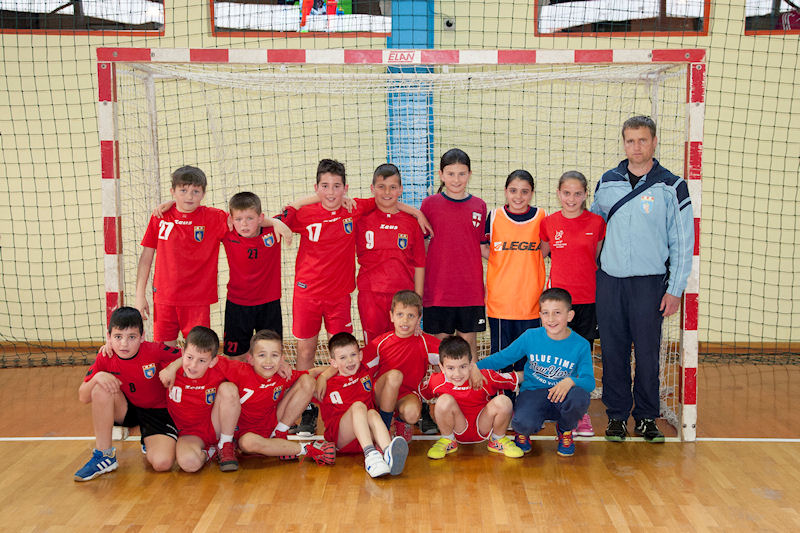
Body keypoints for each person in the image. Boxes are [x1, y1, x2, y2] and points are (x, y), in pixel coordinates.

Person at [277, 159, 428, 436]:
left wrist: (417, 212)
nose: (331, 192)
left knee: (344, 354)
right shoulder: (307, 212)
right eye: (325, 186)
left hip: (339, 297)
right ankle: (308, 410)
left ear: (346, 189)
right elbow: (278, 219)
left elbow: (387, 200)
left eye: (337, 186)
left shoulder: (355, 208)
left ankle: (351, 404)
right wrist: (289, 213)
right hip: (307, 295)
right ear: (316, 187)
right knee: (306, 352)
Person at [591, 115, 693, 443]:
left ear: (654, 142)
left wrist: (675, 289)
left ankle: (647, 416)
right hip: (610, 282)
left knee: (648, 353)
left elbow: (683, 242)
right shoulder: (607, 182)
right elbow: (593, 231)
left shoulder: (672, 186)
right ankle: (617, 416)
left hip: (650, 284)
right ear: (623, 143)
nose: (636, 147)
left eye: (643, 140)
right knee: (613, 351)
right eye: (630, 140)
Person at [476, 288, 594, 457]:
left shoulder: (580, 344)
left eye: (557, 313)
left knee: (580, 396)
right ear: (540, 315)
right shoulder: (531, 336)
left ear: (570, 315)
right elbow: (503, 357)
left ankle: (565, 430)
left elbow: (589, 382)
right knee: (523, 423)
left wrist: (570, 381)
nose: (551, 319)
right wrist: (475, 367)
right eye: (546, 313)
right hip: (533, 392)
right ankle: (523, 432)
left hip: (562, 395)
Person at [74, 307, 181, 481]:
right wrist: (97, 377)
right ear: (109, 337)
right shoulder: (106, 356)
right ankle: (104, 455)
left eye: (131, 337)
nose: (124, 344)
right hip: (127, 409)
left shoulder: (154, 350)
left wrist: (172, 367)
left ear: (142, 336)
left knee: (162, 463)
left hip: (157, 412)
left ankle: (149, 438)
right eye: (118, 337)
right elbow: (83, 396)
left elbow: (188, 355)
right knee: (100, 388)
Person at [481, 169, 547, 448]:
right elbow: (483, 248)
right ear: (506, 191)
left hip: (531, 304)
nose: (518, 196)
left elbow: (545, 250)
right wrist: (502, 260)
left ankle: (528, 411)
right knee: (502, 360)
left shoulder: (542, 217)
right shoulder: (494, 216)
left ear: (532, 193)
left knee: (529, 364)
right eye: (513, 190)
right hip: (501, 304)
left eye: (524, 191)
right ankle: (504, 408)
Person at [539, 170, 606, 438]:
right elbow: (540, 255)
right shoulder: (548, 223)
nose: (571, 198)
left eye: (578, 193)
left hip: (587, 301)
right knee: (557, 357)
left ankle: (580, 412)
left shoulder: (597, 222)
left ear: (585, 194)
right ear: (558, 193)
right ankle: (556, 407)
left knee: (581, 357)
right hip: (558, 304)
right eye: (566, 193)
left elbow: (596, 258)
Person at [228, 330, 335, 465]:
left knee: (307, 380)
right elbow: (213, 361)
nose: (268, 361)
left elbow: (315, 372)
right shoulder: (239, 371)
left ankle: (280, 433)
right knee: (247, 443)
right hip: (245, 433)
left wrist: (325, 376)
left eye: (274, 355)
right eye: (262, 355)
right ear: (250, 359)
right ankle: (307, 449)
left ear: (282, 359)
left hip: (272, 424)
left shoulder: (283, 374)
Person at [420, 149, 488, 359]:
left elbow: (481, 247)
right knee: (442, 347)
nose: (456, 180)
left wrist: (514, 259)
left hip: (470, 290)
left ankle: (473, 381)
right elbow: (423, 247)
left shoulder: (479, 205)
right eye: (450, 174)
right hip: (438, 291)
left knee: (468, 344)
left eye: (461, 174)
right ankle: (441, 381)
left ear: (469, 174)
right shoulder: (429, 205)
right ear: (441, 174)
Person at [314, 332, 409, 478]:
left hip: (364, 436)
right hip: (340, 439)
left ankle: (388, 451)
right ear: (333, 363)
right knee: (359, 406)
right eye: (343, 358)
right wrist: (322, 376)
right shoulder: (326, 384)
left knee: (372, 413)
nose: (349, 361)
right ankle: (371, 456)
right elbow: (302, 378)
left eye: (353, 355)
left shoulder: (364, 371)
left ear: (360, 355)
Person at [419, 336, 524, 460]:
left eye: (463, 367)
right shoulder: (436, 381)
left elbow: (515, 377)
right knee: (443, 401)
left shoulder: (484, 377)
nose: (457, 374)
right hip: (457, 428)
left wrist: (540, 373)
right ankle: (447, 440)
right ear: (441, 367)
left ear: (471, 364)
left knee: (504, 401)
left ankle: (497, 439)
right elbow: (418, 393)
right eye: (451, 368)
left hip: (482, 426)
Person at [354, 290, 440, 442]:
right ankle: (385, 426)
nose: (405, 320)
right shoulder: (381, 343)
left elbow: (451, 355)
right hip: (381, 394)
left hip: (406, 395)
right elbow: (354, 363)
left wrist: (473, 369)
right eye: (400, 314)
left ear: (419, 318)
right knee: (395, 376)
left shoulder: (425, 342)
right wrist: (326, 375)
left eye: (411, 316)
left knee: (413, 414)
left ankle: (400, 422)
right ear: (391, 316)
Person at [355, 164, 426, 344]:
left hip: (403, 296)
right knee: (374, 346)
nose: (387, 192)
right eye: (381, 186)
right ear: (372, 189)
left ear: (400, 190)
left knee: (402, 345)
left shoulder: (411, 223)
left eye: (393, 187)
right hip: (371, 296)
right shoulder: (360, 219)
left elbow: (419, 264)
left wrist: (417, 302)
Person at [162, 326, 242, 472]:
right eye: (189, 357)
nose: (193, 365)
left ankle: (225, 444)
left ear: (212, 361)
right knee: (189, 464)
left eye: (202, 360)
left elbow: (252, 371)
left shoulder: (221, 366)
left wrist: (280, 364)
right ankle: (210, 452)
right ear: (182, 353)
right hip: (190, 434)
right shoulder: (169, 371)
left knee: (229, 389)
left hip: (216, 426)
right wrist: (171, 367)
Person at [221, 192, 284, 359]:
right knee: (237, 358)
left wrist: (276, 222)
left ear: (261, 218)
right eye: (238, 219)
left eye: (250, 218)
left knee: (271, 354)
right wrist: (170, 203)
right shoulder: (227, 233)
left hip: (269, 304)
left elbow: (295, 208)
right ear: (231, 219)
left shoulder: (273, 230)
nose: (244, 224)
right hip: (237, 305)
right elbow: (196, 211)